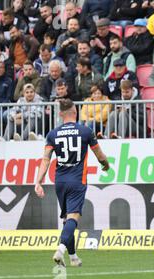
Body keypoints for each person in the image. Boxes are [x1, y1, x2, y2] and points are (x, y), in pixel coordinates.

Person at [35, 98, 109, 267]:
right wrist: (106, 165)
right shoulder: (86, 131)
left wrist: (38, 181)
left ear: (60, 114)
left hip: (60, 181)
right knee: (73, 218)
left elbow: (45, 160)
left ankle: (74, 257)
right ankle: (60, 250)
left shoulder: (52, 134)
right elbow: (100, 156)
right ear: (75, 113)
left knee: (67, 221)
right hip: (77, 180)